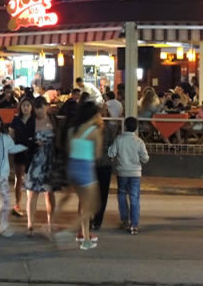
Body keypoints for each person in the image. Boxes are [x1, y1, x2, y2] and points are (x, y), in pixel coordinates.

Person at [66, 102, 103, 250]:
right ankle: (70, 232)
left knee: (84, 205)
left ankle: (86, 238)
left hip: (73, 167)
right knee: (92, 207)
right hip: (86, 169)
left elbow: (69, 150)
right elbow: (98, 154)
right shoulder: (94, 131)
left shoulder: (72, 130)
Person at [108, 117, 149, 234]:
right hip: (135, 173)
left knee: (122, 195)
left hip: (122, 172)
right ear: (136, 128)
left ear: (125, 126)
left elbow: (111, 153)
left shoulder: (119, 139)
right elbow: (145, 159)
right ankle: (134, 225)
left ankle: (125, 220)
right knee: (134, 197)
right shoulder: (139, 141)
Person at [25, 97, 57, 236]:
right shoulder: (31, 122)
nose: (39, 110)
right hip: (35, 160)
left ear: (47, 107)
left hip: (50, 160)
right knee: (33, 193)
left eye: (41, 107)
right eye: (37, 108)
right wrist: (33, 142)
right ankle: (30, 224)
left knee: (49, 193)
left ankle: (51, 222)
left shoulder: (53, 120)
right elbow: (23, 139)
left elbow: (60, 139)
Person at [9, 97, 35, 218]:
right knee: (18, 177)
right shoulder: (16, 119)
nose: (25, 107)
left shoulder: (35, 120)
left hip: (31, 151)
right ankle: (17, 204)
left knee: (30, 178)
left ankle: (30, 203)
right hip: (19, 150)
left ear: (31, 107)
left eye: (28, 105)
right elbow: (11, 134)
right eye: (23, 105)